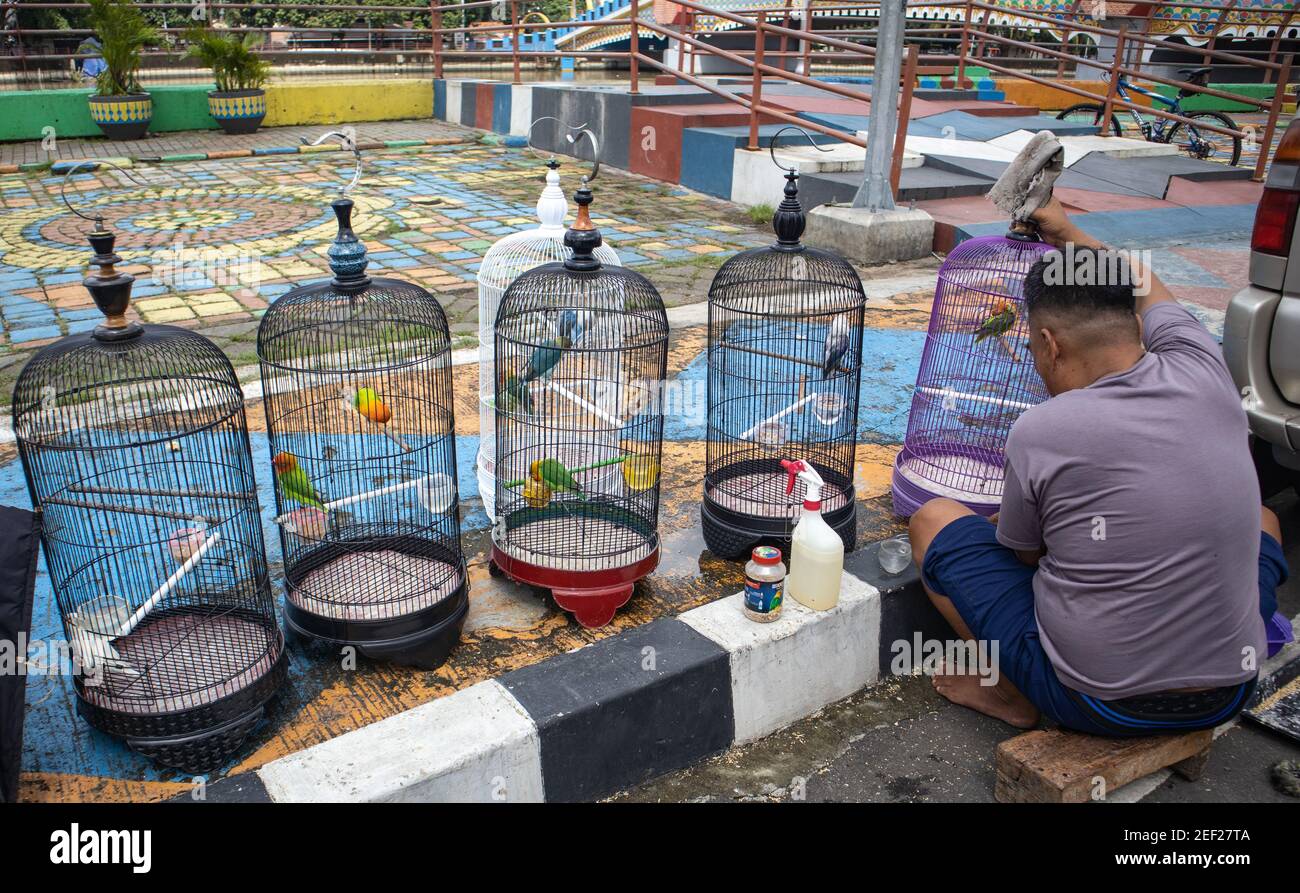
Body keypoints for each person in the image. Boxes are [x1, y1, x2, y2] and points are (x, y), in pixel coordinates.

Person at [908, 198, 1286, 736]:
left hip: (1099, 703)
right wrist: (1070, 231)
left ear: (1048, 344)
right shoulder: (1202, 362)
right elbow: (1142, 278)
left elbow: (1025, 554)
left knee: (936, 520)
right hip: (1228, 693)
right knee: (1266, 521)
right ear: (1136, 326)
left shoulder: (1044, 428)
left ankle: (1011, 690)